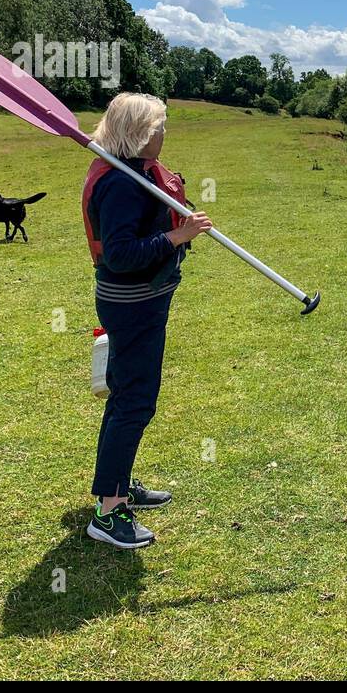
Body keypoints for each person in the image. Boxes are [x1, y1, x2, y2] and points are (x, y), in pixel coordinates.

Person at [81, 93, 212, 549]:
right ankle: (109, 510)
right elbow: (120, 255)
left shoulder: (134, 172)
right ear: (138, 134)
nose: (164, 134)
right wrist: (178, 235)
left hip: (143, 303)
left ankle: (118, 482)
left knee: (127, 397)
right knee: (134, 402)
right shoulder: (121, 184)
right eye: (158, 127)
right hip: (132, 305)